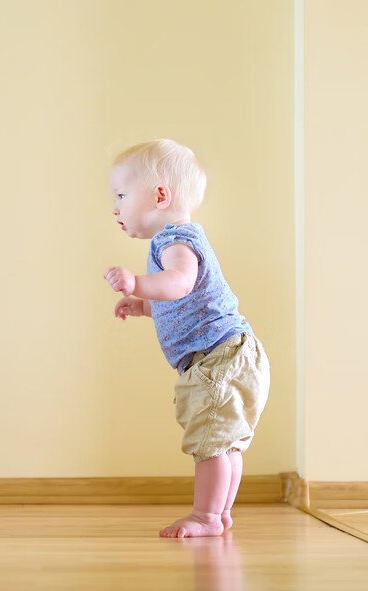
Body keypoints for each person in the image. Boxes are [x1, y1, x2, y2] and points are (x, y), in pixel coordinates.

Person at [102, 139, 270, 538]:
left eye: (122, 195)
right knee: (225, 442)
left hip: (217, 357)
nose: (116, 207)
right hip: (232, 352)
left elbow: (180, 283)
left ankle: (207, 516)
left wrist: (137, 283)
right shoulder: (182, 238)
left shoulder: (174, 240)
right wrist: (144, 305)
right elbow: (183, 298)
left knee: (210, 441)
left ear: (160, 195)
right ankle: (220, 512)